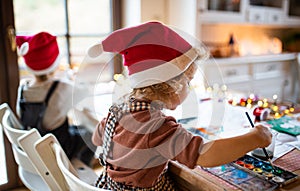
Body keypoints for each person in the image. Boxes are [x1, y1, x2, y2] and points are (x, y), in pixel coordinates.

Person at [89, 22, 272, 190]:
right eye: (189, 82)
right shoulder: (157, 128)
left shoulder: (118, 109)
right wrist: (254, 138)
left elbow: (97, 138)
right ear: (170, 85)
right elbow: (205, 155)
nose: (190, 88)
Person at [15, 32, 95, 166]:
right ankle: (80, 167)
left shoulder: (23, 88)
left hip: (35, 148)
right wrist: (74, 79)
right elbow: (85, 92)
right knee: (90, 133)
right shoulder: (62, 87)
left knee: (76, 129)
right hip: (59, 149)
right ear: (55, 62)